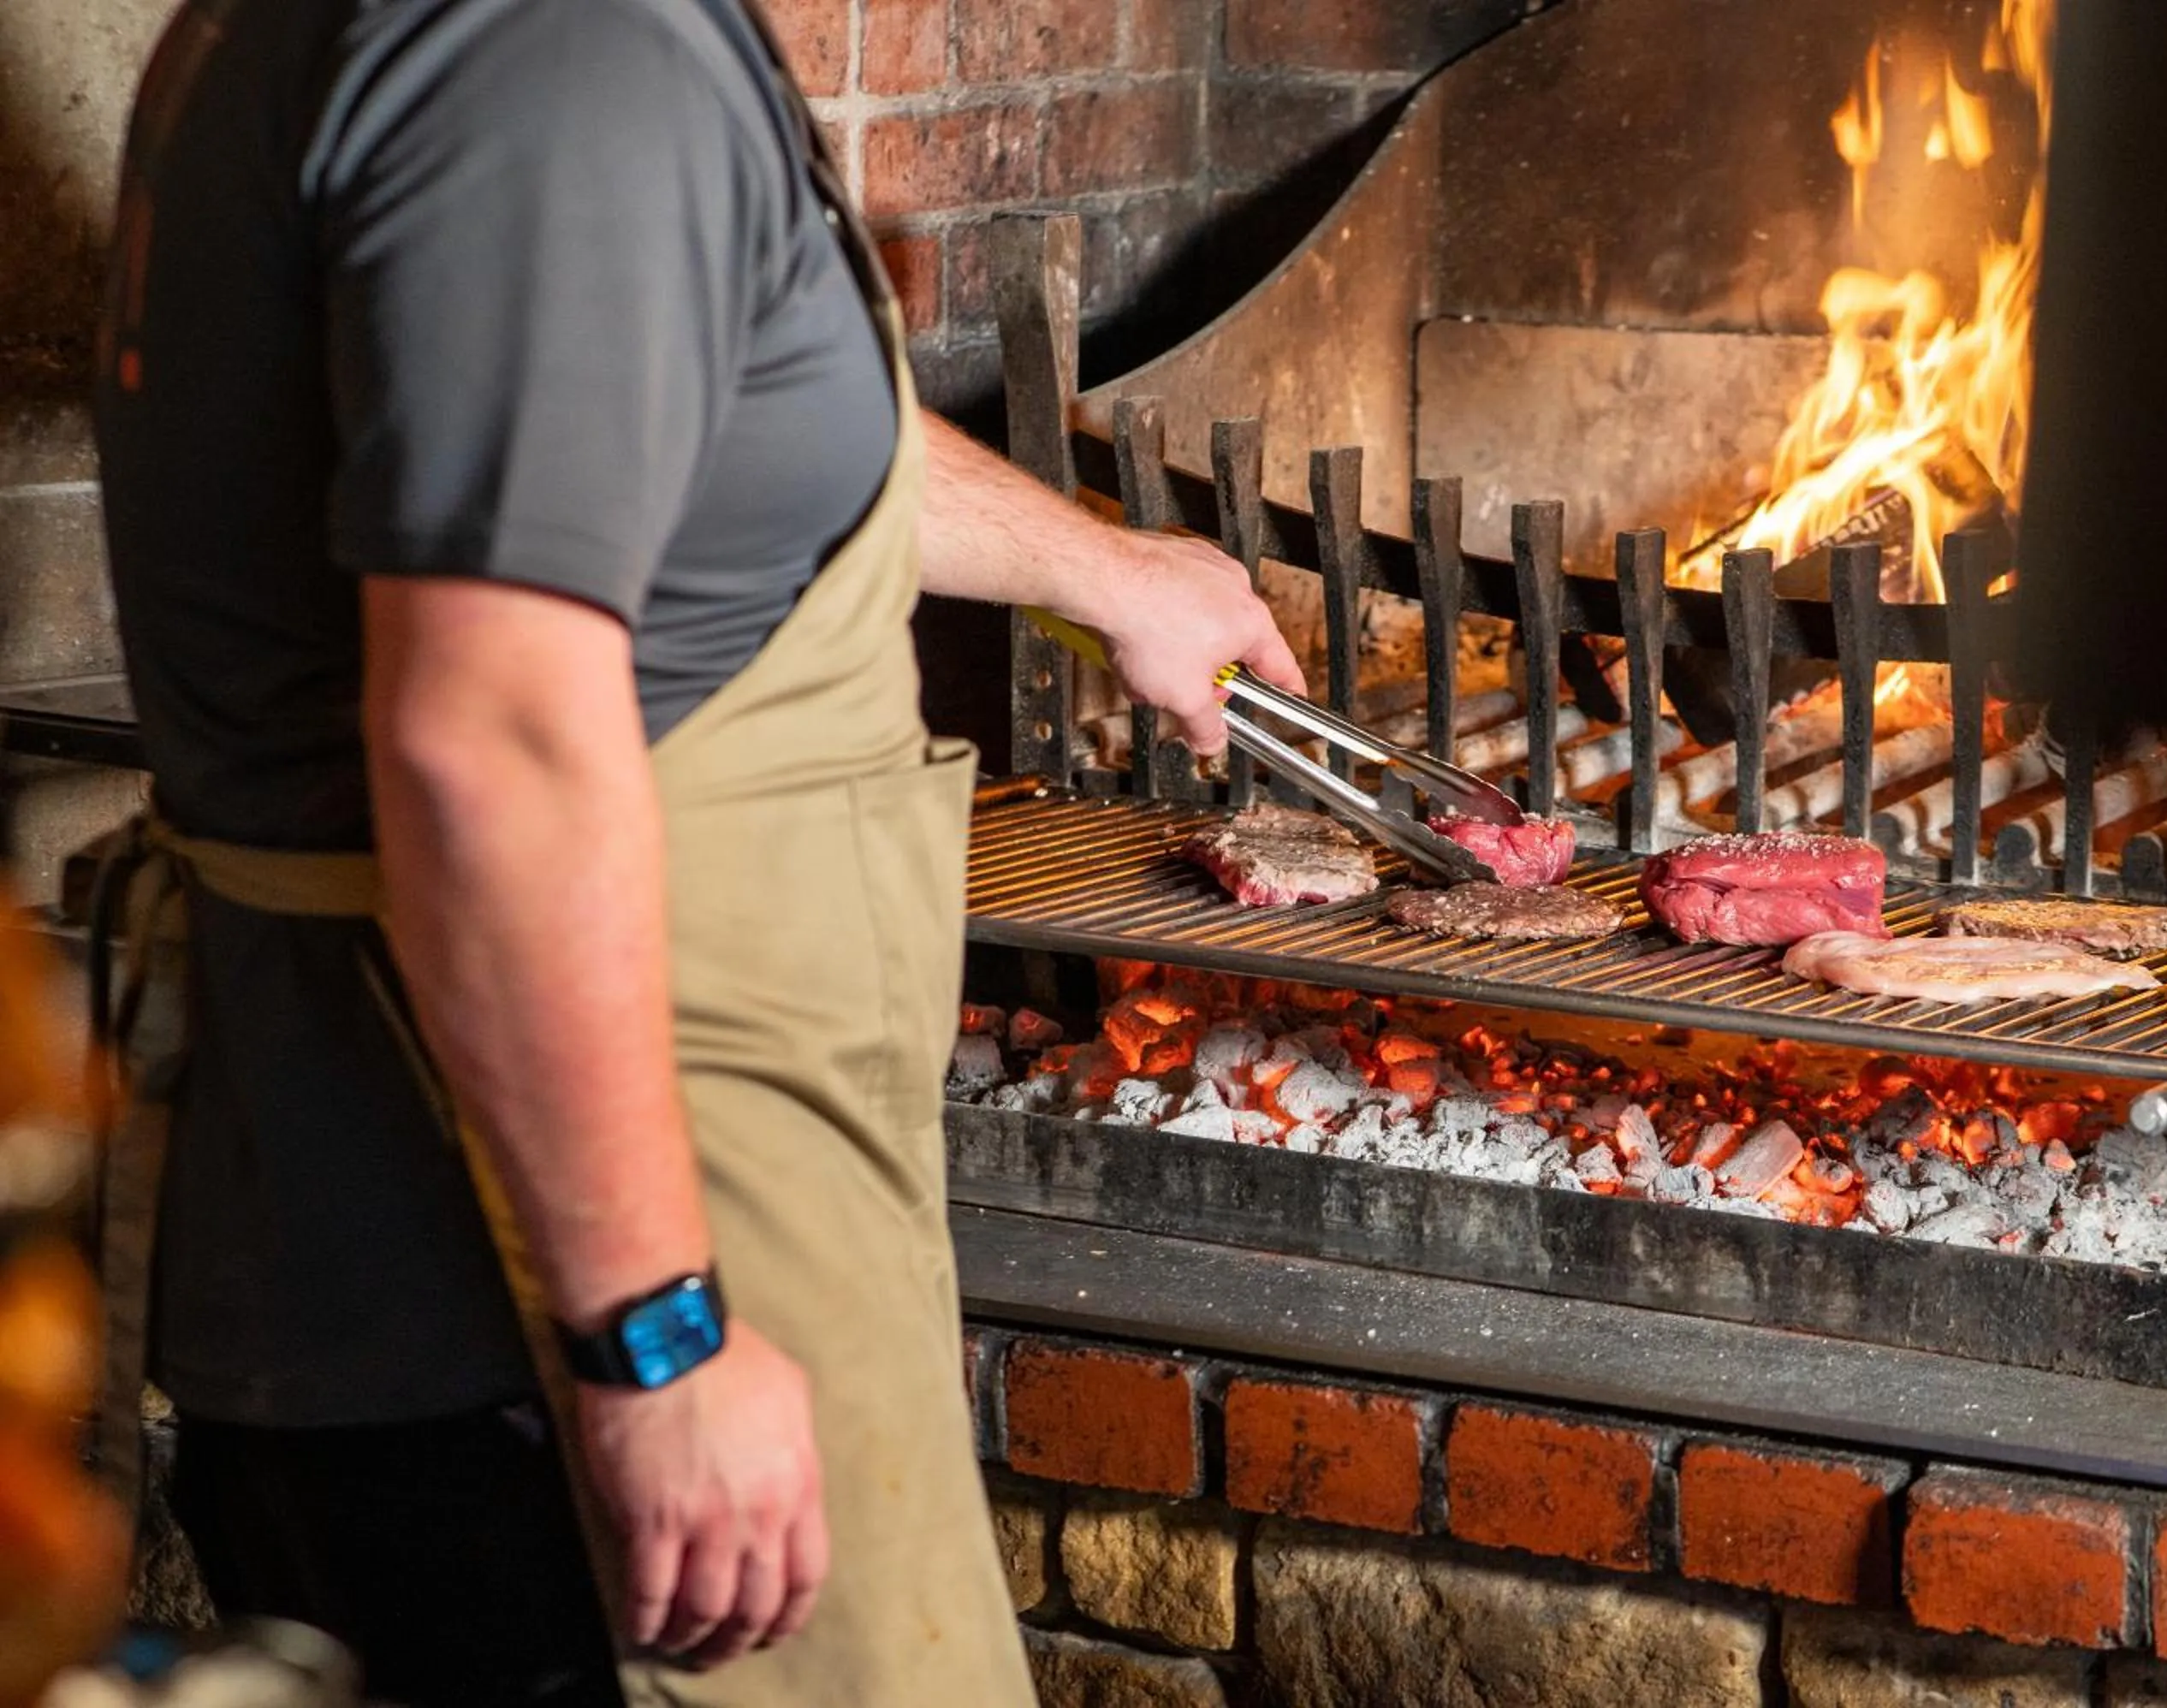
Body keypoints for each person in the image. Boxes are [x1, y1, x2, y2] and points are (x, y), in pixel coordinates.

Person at [86, 1, 1305, 1704]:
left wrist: (1097, 568)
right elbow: (492, 744)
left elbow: (687, 409)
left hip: (433, 1233)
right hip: (535, 1284)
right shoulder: (561, 48)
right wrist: (657, 1343)